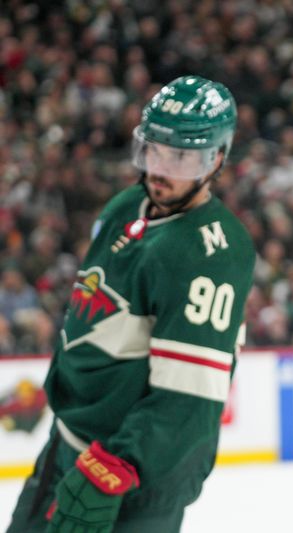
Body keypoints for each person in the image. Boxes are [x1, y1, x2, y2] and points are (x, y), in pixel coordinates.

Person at [8, 75, 255, 532]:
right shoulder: (124, 206)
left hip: (132, 475)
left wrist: (112, 471)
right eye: (154, 151)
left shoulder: (214, 252)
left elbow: (188, 400)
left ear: (217, 158)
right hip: (67, 445)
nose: (161, 170)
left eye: (182, 157)